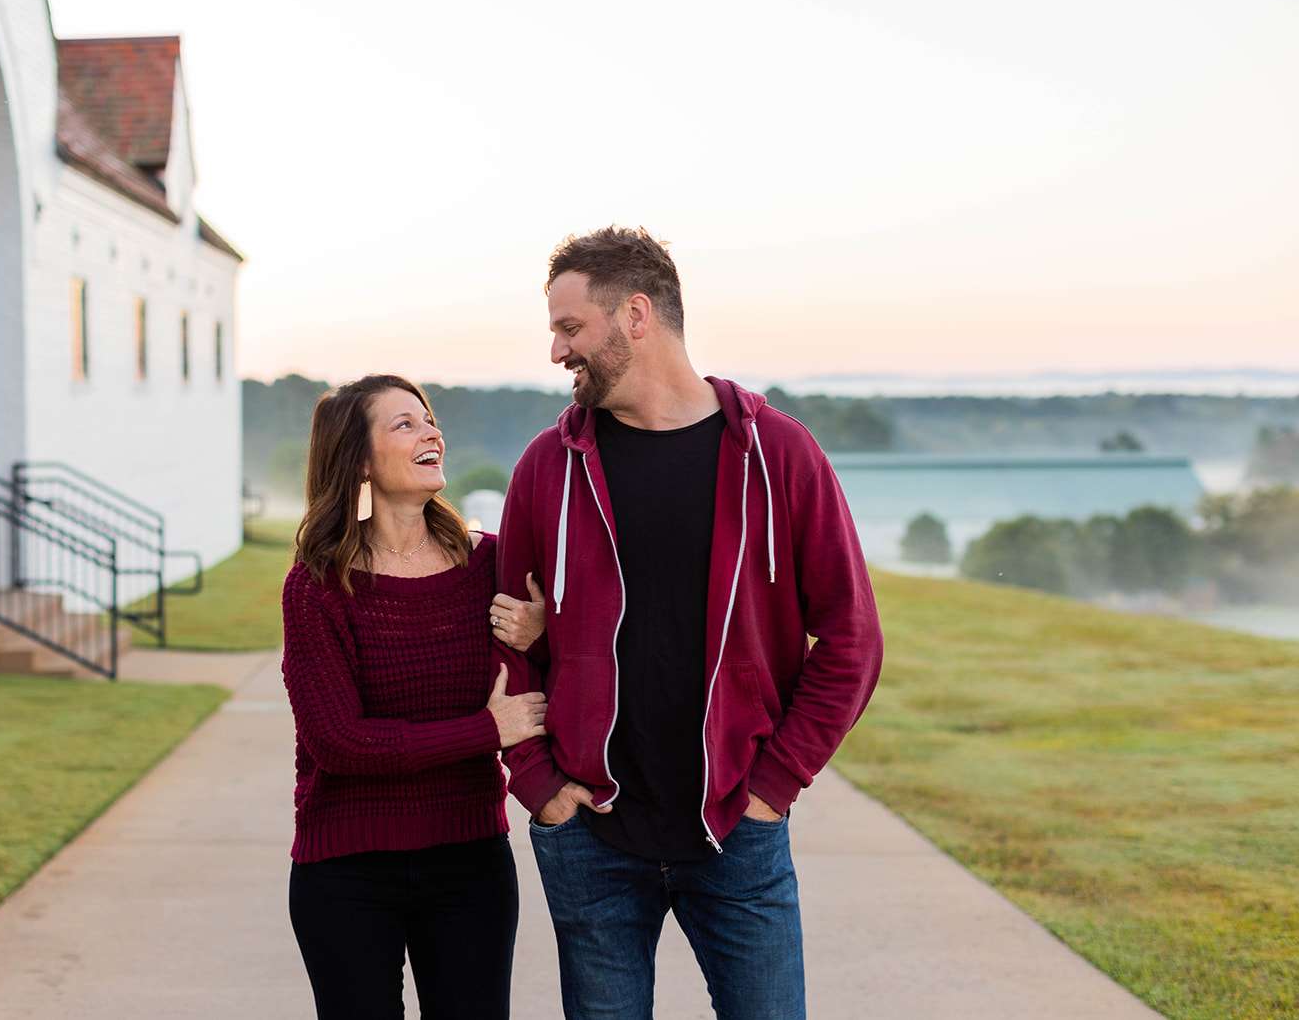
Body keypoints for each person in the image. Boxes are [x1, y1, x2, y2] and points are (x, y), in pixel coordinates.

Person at [492, 227, 884, 1020]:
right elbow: (505, 638)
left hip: (737, 833)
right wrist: (540, 784)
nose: (558, 351)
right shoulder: (548, 466)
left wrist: (774, 786)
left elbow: (852, 638)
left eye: (570, 328)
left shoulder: (777, 454)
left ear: (635, 314)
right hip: (591, 838)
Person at [281, 374, 546, 1020]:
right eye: (405, 423)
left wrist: (539, 634)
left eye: (429, 418)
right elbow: (340, 741)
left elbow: (566, 665)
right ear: (361, 458)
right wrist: (487, 730)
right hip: (347, 870)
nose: (433, 431)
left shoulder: (490, 563)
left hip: (469, 864)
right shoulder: (318, 585)